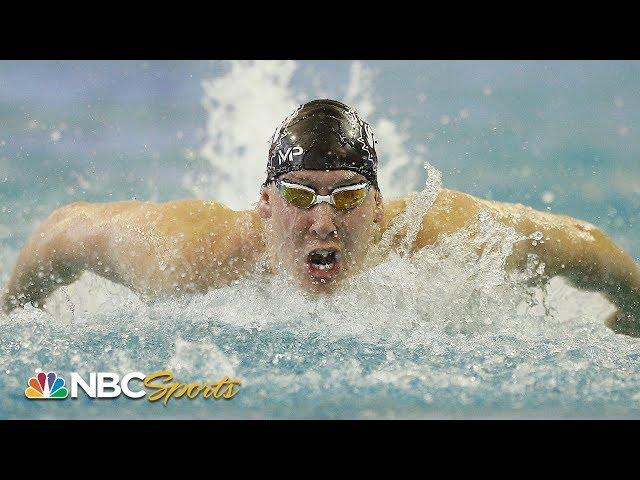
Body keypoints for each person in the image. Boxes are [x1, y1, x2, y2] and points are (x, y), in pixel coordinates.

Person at [2, 99, 640, 335]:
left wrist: (629, 321)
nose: (325, 223)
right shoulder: (191, 255)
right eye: (302, 197)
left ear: (379, 203)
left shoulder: (441, 237)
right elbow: (62, 233)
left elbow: (590, 245)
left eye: (346, 196)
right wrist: (9, 318)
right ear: (266, 204)